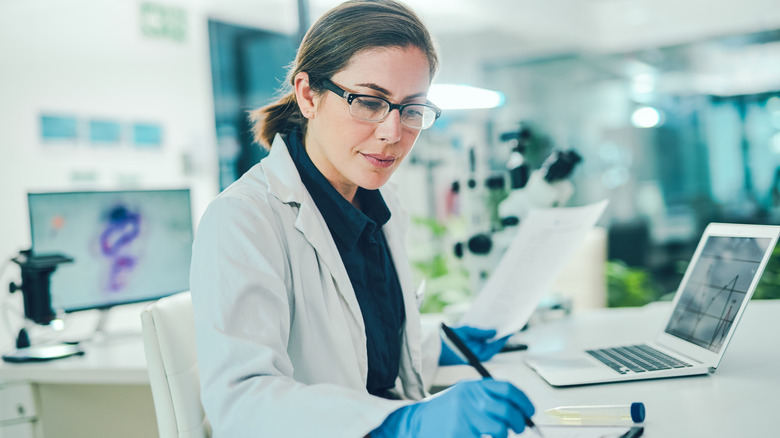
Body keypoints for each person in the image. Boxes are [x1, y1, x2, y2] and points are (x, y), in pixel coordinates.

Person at [189, 1, 536, 437]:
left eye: (412, 109)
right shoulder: (243, 219)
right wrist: (402, 423)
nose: (393, 133)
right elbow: (242, 404)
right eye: (369, 102)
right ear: (308, 94)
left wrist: (439, 348)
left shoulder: (378, 204)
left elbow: (356, 354)